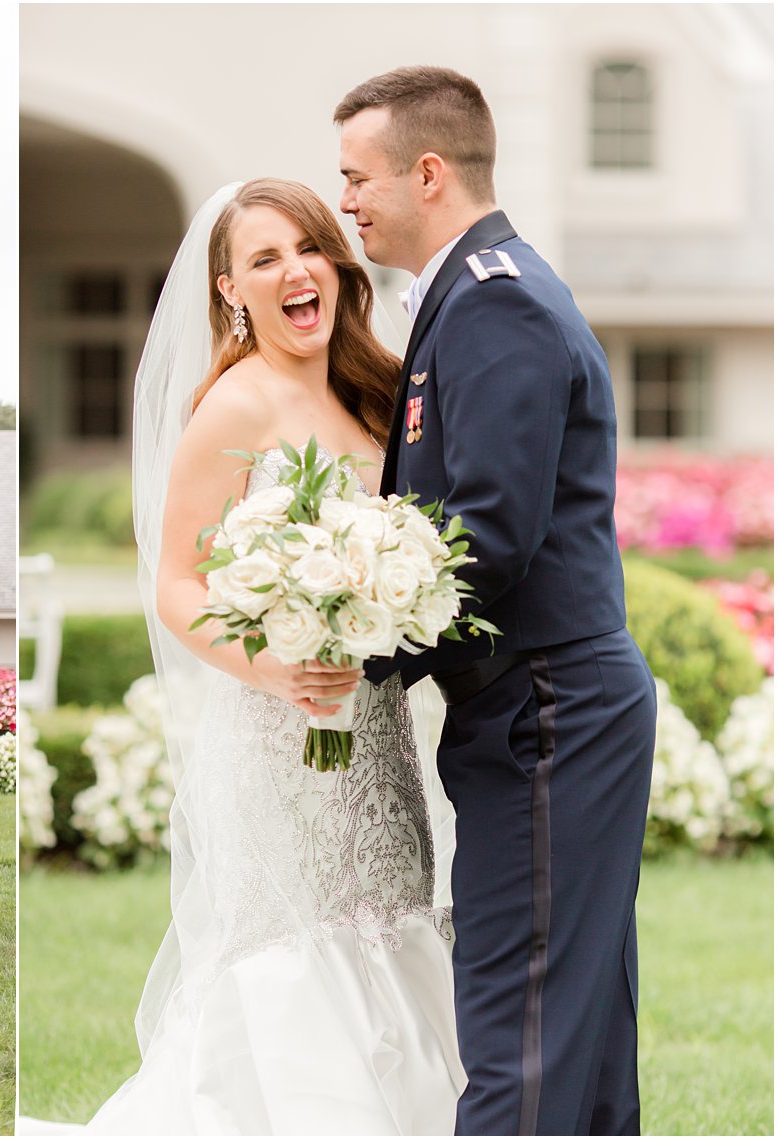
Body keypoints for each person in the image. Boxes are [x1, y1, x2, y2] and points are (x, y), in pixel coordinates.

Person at [27, 178, 465, 1136]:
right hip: (277, 737)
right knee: (294, 949)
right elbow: (179, 585)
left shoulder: (378, 385)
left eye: (308, 247)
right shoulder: (233, 404)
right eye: (264, 259)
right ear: (229, 289)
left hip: (375, 730)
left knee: (393, 918)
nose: (295, 270)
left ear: (335, 265)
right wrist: (274, 664)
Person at [336, 66, 655, 1135]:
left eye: (356, 177)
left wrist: (357, 651)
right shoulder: (477, 292)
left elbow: (487, 533)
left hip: (545, 702)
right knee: (571, 1016)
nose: (345, 202)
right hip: (543, 697)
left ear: (427, 172)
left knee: (521, 1012)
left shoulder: (492, 301)